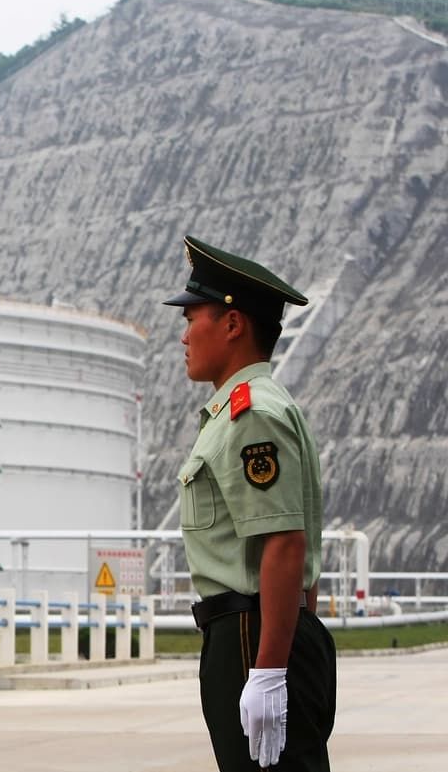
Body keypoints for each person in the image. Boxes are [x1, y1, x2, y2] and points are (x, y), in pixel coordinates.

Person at [163, 235, 336, 771]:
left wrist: (267, 669)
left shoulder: (251, 413)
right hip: (258, 633)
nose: (185, 335)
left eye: (194, 318)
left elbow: (285, 542)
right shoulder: (251, 408)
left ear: (233, 324)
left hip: (249, 635)